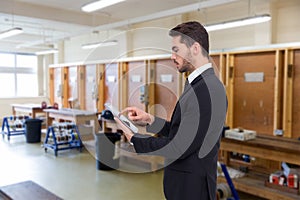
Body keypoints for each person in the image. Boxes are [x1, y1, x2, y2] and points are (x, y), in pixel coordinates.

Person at [115, 21, 227, 200]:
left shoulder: (207, 89)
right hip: (184, 186)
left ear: (195, 48)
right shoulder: (196, 84)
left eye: (176, 50)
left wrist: (135, 139)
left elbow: (179, 147)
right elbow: (183, 133)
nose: (172, 56)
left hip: (192, 190)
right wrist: (150, 120)